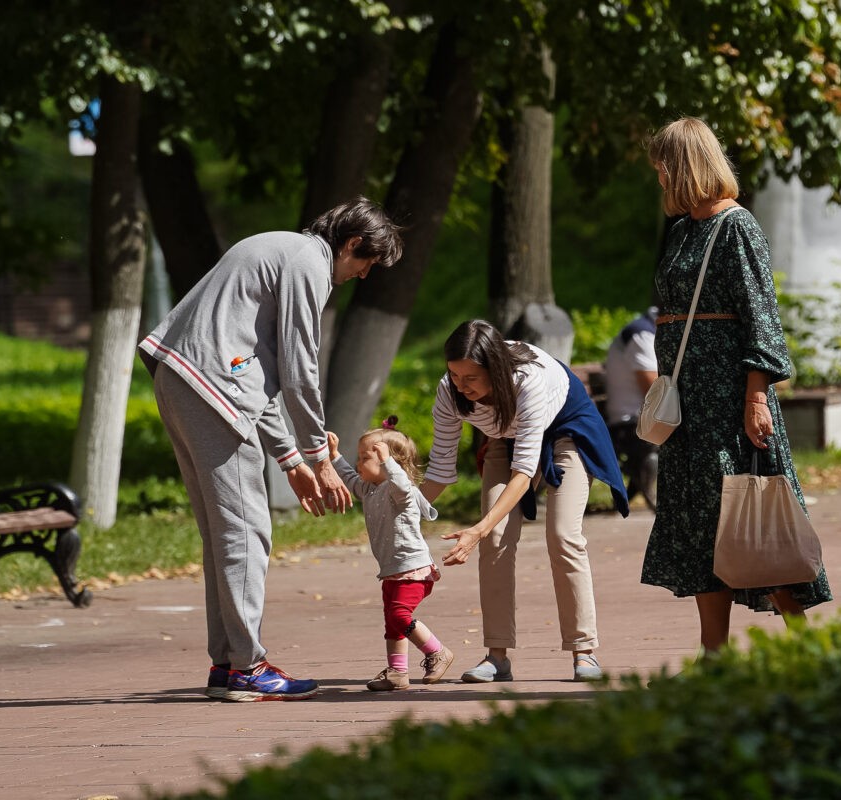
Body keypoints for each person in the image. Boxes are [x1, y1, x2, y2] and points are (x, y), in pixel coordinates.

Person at [137, 196, 403, 701]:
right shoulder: (309, 264)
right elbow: (299, 370)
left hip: (182, 379)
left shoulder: (279, 247)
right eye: (367, 262)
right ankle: (247, 668)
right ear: (351, 243)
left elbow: (259, 374)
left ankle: (227, 663)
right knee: (245, 532)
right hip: (212, 389)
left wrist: (291, 459)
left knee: (224, 533)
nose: (364, 274)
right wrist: (320, 459)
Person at [641, 117, 831, 653]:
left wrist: (755, 397)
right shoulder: (684, 229)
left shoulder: (737, 226)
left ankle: (809, 652)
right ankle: (714, 656)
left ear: (683, 166)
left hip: (727, 399)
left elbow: (761, 316)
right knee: (704, 528)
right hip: (687, 406)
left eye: (662, 168)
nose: (659, 178)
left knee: (753, 521)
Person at [421, 320, 629, 683]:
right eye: (454, 374)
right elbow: (440, 469)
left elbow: (524, 472)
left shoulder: (529, 380)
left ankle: (584, 651)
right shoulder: (449, 391)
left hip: (566, 429)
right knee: (496, 539)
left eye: (470, 377)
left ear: (495, 369)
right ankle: (497, 657)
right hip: (507, 436)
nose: (460, 385)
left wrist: (477, 529)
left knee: (563, 535)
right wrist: (405, 513)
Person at [327, 417, 455, 691]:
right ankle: (397, 672)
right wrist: (335, 456)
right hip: (392, 570)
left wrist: (387, 462)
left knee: (399, 615)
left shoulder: (400, 490)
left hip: (413, 568)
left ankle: (437, 651)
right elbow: (349, 479)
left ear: (389, 461)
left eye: (365, 458)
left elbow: (401, 484)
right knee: (392, 622)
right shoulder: (370, 489)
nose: (358, 463)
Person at [603, 306, 660, 506]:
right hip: (629, 423)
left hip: (645, 418)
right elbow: (655, 391)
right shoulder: (640, 334)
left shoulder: (650, 330)